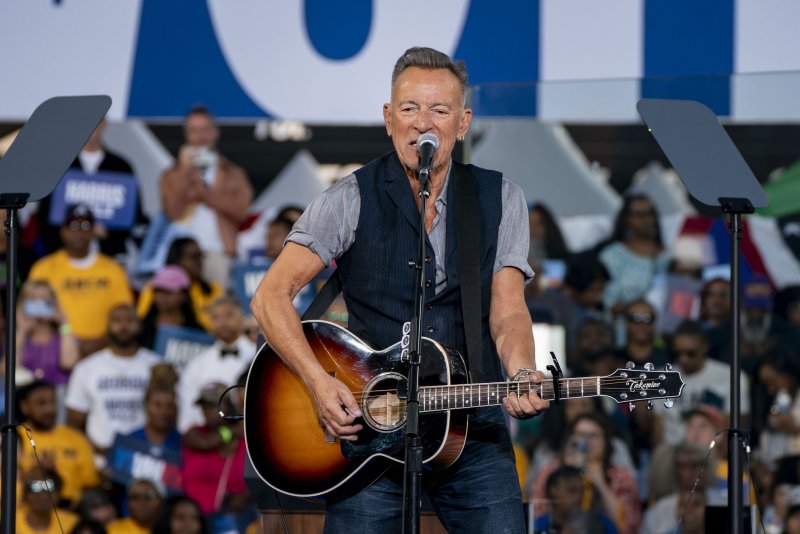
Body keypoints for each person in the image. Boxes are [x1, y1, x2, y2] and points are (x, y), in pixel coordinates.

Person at [250, 46, 548, 533]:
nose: (421, 123)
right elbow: (269, 297)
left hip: (471, 423)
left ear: (463, 122)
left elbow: (508, 311)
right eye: (409, 108)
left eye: (439, 110)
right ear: (388, 118)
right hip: (371, 424)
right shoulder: (349, 196)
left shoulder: (501, 197)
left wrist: (521, 371)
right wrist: (317, 381)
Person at [159, 106, 253, 289]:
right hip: (181, 255)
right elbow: (172, 211)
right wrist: (183, 173)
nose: (200, 136)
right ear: (186, 135)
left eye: (204, 129)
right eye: (194, 130)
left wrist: (206, 194)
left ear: (215, 132)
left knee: (217, 308)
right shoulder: (172, 174)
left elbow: (242, 212)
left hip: (218, 252)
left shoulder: (233, 173)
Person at [28, 203, 134, 357]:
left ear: (93, 232)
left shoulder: (113, 269)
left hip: (102, 352)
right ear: (62, 231)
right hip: (53, 351)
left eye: (85, 226)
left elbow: (125, 314)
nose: (78, 232)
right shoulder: (43, 268)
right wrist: (66, 343)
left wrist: (98, 343)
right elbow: (33, 314)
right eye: (73, 225)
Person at [35, 117, 149, 259]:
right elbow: (45, 214)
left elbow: (133, 215)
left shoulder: (121, 167)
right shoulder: (59, 166)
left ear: (105, 123)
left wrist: (109, 233)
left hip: (110, 256)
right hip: (64, 257)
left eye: (96, 120)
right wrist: (69, 234)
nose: (90, 126)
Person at [65, 304, 161, 455]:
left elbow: (169, 416)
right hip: (100, 458)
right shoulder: (86, 368)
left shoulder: (157, 365)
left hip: (146, 457)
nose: (123, 326)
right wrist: (95, 451)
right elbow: (74, 422)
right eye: (117, 320)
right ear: (107, 325)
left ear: (140, 325)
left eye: (130, 320)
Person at [16, 380, 101, 508]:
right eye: (41, 403)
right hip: (25, 510)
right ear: (25, 406)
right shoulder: (15, 437)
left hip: (72, 510)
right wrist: (37, 470)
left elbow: (90, 484)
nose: (49, 409)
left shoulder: (76, 438)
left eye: (53, 402)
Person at [177, 296, 255, 433]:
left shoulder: (257, 354)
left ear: (242, 318)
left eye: (228, 315)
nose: (222, 322)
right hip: (211, 440)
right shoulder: (197, 365)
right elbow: (189, 411)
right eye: (216, 317)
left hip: (252, 436)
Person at [598, 193, 669, 315]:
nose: (645, 219)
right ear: (626, 219)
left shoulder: (668, 255)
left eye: (649, 214)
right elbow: (603, 297)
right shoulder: (611, 255)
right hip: (624, 324)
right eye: (638, 215)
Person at [136, 237, 225, 333]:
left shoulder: (214, 290)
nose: (199, 262)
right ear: (177, 258)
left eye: (201, 256)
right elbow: (142, 322)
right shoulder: (153, 287)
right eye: (194, 256)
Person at [16, 279, 80, 410]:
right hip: (24, 398)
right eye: (33, 298)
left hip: (58, 399)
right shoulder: (18, 336)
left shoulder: (63, 334)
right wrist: (21, 331)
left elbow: (69, 364)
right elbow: (8, 369)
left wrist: (64, 323)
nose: (39, 303)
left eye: (44, 298)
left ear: (54, 303)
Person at [137, 265, 203, 350]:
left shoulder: (196, 331)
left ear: (183, 295)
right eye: (158, 291)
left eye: (168, 292)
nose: (161, 297)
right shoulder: (140, 328)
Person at [16, 466, 80, 534]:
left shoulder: (72, 523)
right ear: (25, 494)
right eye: (35, 487)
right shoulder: (9, 522)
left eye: (49, 487)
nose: (43, 496)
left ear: (58, 493)